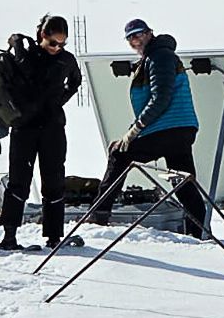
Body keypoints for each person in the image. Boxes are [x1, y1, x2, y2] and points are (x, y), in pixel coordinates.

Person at [89, 18, 207, 238]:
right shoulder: (156, 56)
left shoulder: (159, 56)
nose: (135, 40)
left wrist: (134, 132)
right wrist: (132, 131)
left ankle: (98, 215)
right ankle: (197, 234)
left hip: (168, 127)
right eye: (130, 37)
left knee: (120, 154)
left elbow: (160, 97)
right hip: (180, 128)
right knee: (183, 181)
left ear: (149, 33)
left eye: (138, 34)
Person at [0, 14, 82, 251]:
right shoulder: (26, 54)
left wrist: (58, 101)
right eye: (53, 43)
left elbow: (76, 81)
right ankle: (9, 235)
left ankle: (54, 236)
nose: (57, 48)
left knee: (54, 181)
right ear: (42, 36)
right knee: (18, 182)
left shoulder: (66, 60)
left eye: (62, 44)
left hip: (53, 127)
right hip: (24, 127)